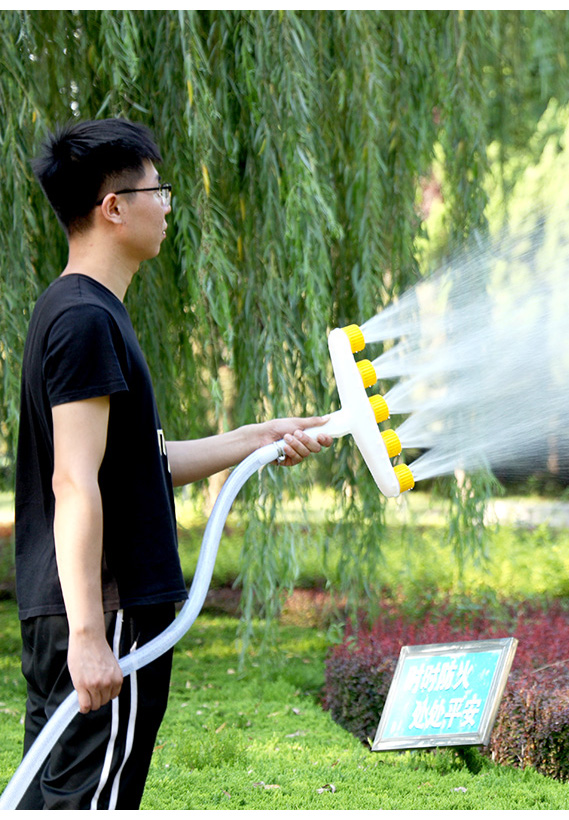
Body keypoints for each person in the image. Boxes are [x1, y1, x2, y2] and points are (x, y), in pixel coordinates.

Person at [14, 118, 333, 809]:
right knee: (88, 805)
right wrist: (92, 636)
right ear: (114, 207)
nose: (167, 207)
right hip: (108, 611)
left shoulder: (75, 310)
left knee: (54, 799)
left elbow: (136, 463)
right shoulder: (86, 320)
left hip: (79, 612)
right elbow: (73, 480)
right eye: (159, 191)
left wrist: (261, 437)